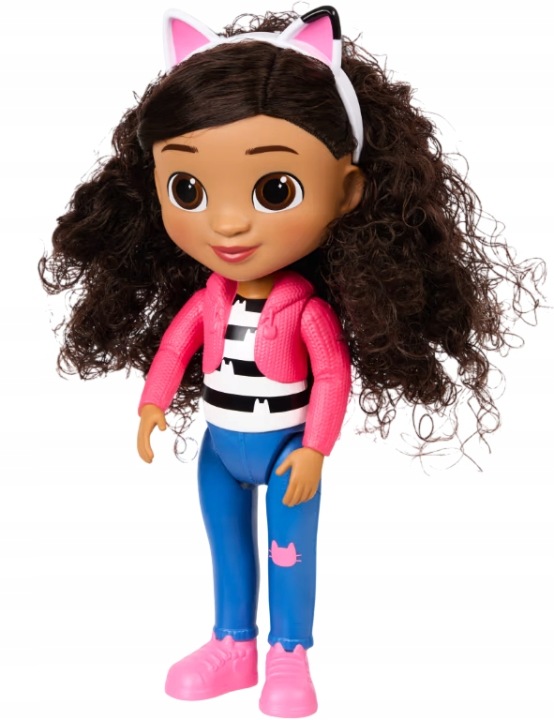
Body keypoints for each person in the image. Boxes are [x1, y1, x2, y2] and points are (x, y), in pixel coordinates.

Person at [39, 6, 543, 718]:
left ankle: (289, 652)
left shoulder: (306, 311)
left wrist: (314, 449)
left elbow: (332, 375)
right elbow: (176, 348)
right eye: (188, 189)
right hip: (219, 447)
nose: (227, 223)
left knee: (289, 552)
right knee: (227, 547)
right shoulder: (210, 300)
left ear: (347, 191)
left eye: (274, 190)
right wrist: (152, 404)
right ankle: (232, 642)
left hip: (285, 451)